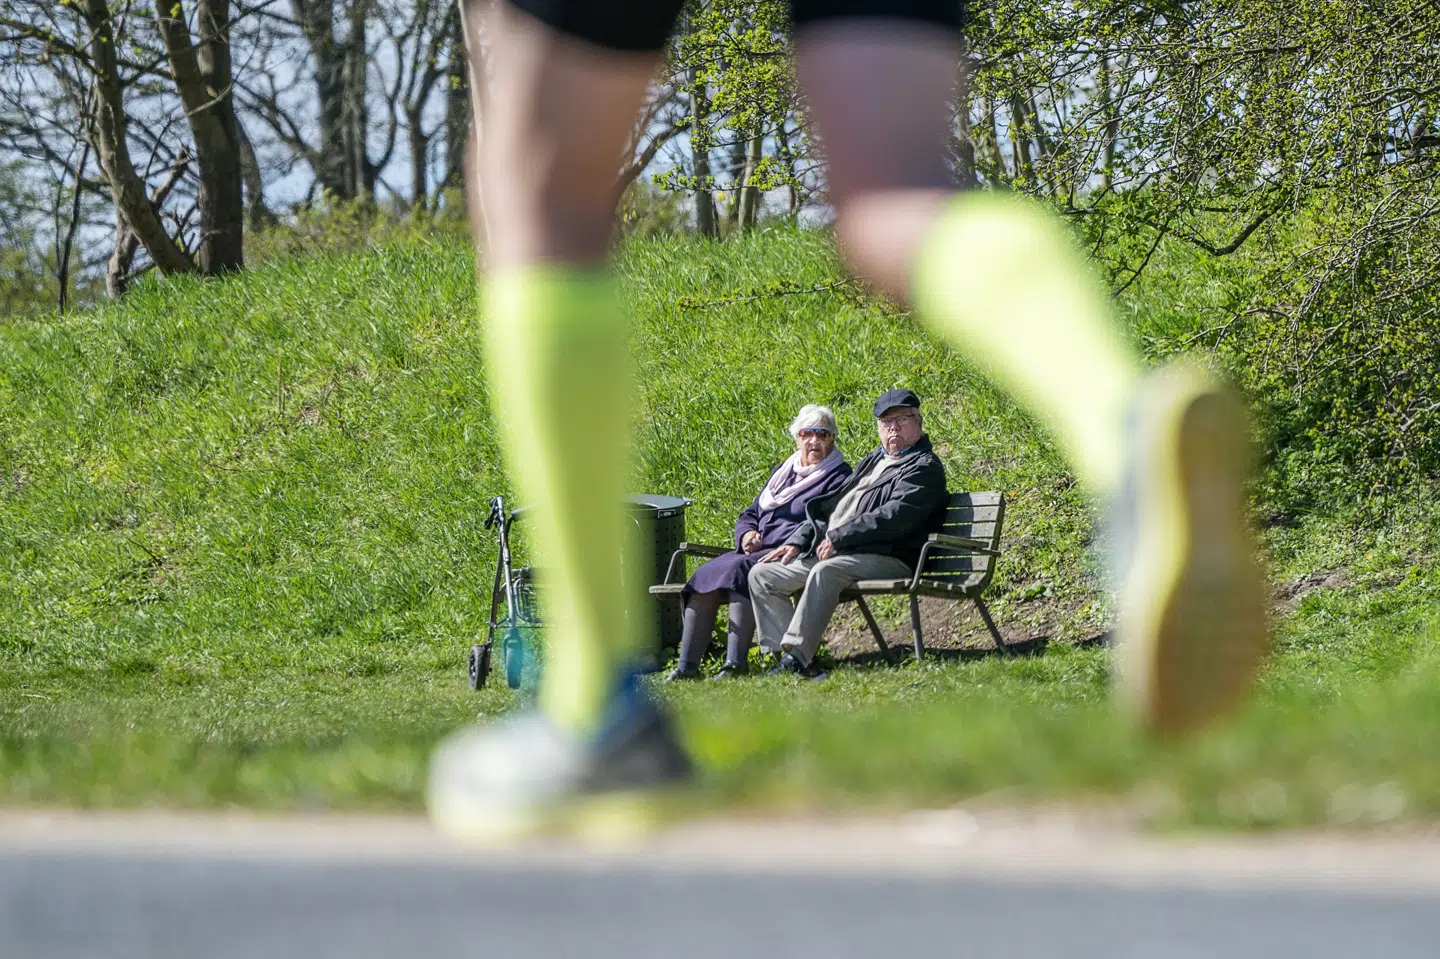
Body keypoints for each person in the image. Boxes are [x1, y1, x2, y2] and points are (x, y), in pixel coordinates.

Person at [427, 0, 1268, 842]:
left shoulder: (890, 464)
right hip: (816, 550)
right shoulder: (839, 462)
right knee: (897, 182)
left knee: (547, 183)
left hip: (857, 555)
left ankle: (591, 704)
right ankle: (1119, 430)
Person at [749, 390, 946, 678]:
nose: (893, 428)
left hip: (891, 556)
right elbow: (831, 507)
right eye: (886, 422)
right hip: (847, 551)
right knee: (763, 575)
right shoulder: (873, 461)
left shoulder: (923, 467)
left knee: (826, 571)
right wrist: (798, 540)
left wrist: (840, 537)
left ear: (918, 423)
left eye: (901, 420)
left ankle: (796, 659)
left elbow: (894, 518)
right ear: (879, 429)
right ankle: (788, 658)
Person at [666, 405, 852, 682]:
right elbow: (751, 512)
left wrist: (793, 542)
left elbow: (826, 519)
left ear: (832, 439)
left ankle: (734, 662)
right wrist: (746, 533)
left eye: (822, 434)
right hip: (758, 547)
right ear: (797, 438)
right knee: (705, 573)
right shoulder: (784, 471)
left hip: (791, 551)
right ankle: (687, 667)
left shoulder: (838, 475)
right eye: (807, 433)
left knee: (742, 569)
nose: (814, 441)